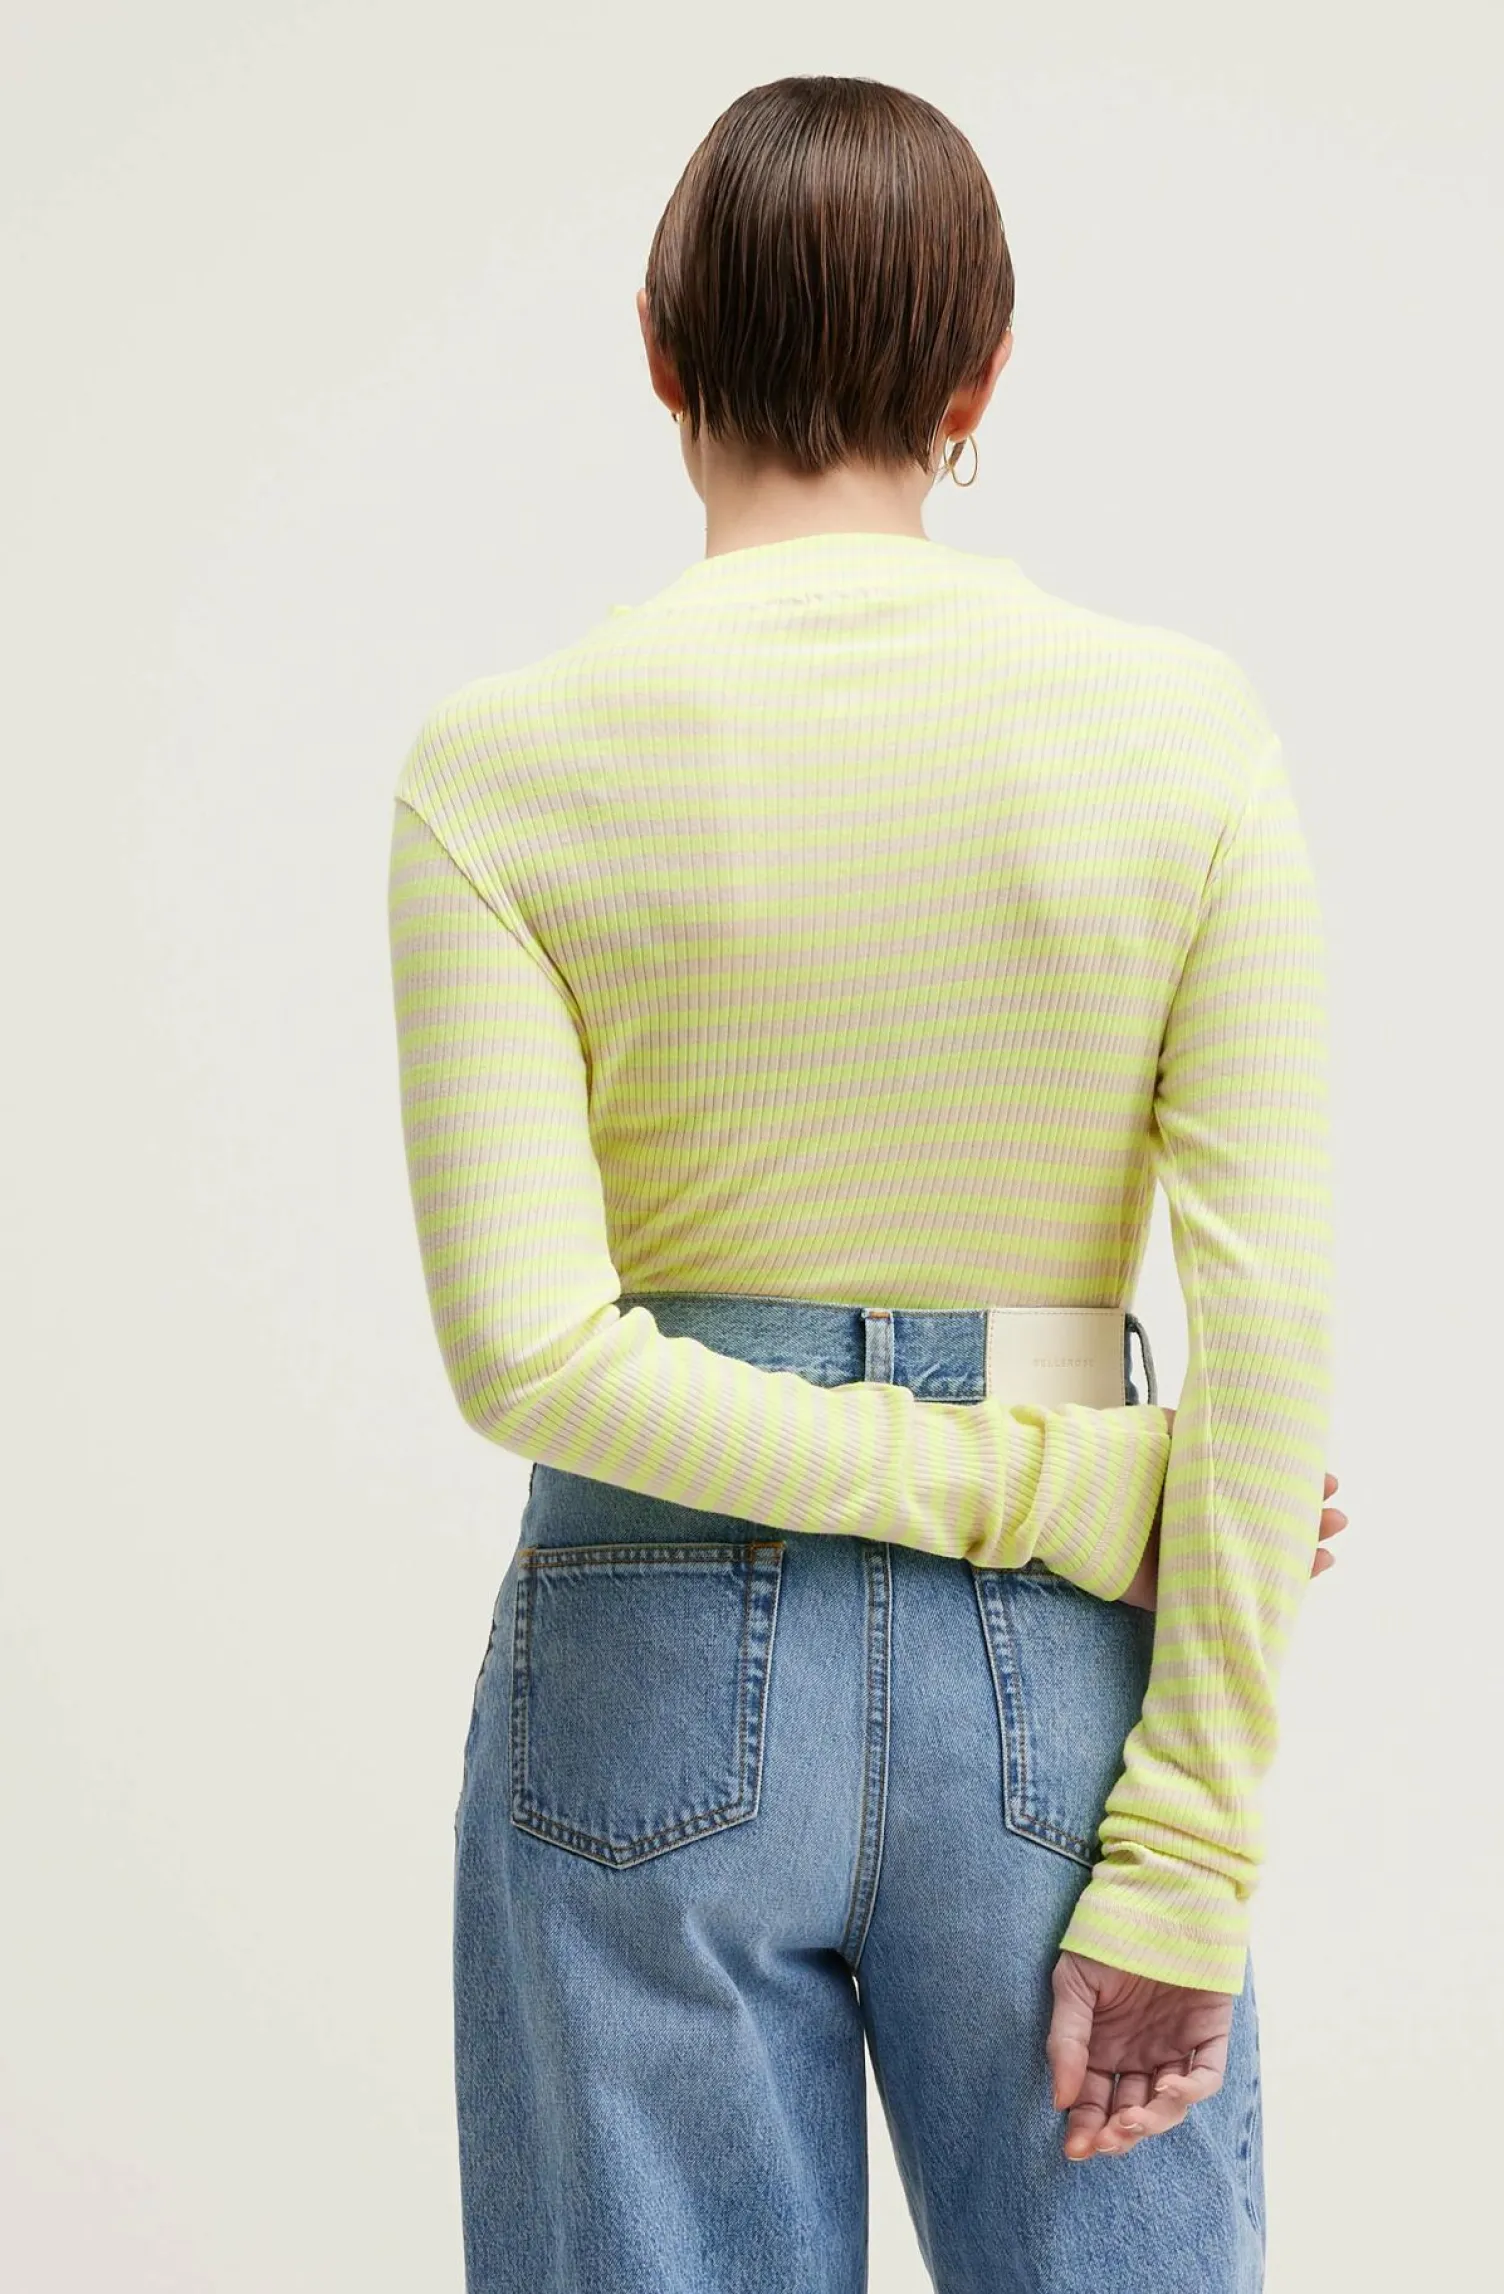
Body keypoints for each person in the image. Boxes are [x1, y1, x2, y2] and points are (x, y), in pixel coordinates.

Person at [387, 71, 1345, 2294]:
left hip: (644, 1648)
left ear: (658, 353)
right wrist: (1185, 1846)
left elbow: (531, 1356)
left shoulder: (496, 770)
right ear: (976, 378)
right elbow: (1271, 1324)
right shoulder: (1180, 735)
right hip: (1068, 1670)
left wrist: (1034, 1490)